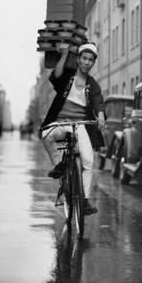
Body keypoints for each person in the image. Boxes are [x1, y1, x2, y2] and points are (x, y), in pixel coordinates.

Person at [41, 42, 106, 216]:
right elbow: (56, 75)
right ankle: (59, 165)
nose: (86, 62)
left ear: (93, 63)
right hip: (61, 123)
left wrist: (100, 115)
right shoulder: (68, 77)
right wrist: (63, 55)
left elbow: (99, 100)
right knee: (46, 135)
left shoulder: (92, 84)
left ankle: (84, 201)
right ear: (78, 59)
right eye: (84, 58)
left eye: (90, 60)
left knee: (88, 161)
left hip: (80, 125)